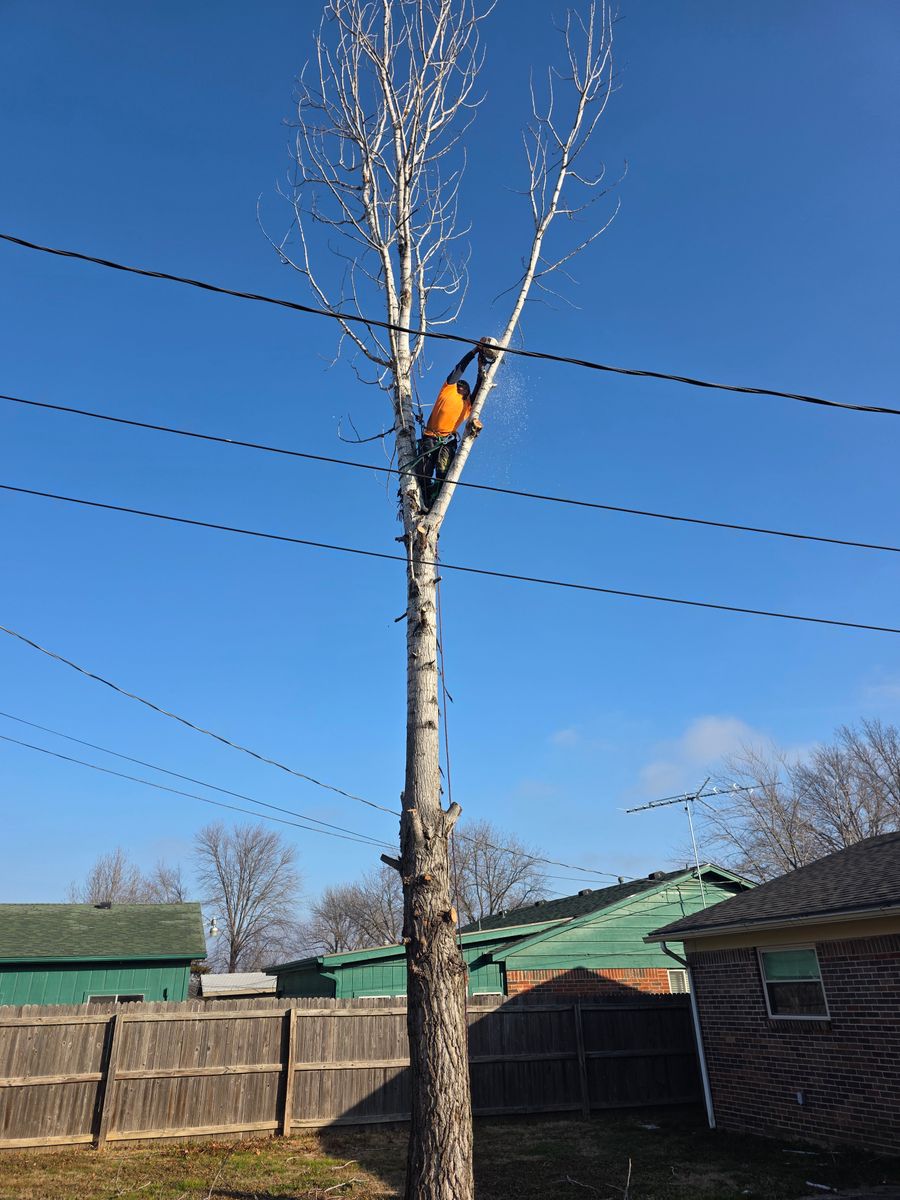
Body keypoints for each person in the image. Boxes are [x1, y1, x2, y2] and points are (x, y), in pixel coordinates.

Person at [418, 347, 484, 508]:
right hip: (430, 437)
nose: (461, 386)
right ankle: (425, 500)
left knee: (442, 470)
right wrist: (474, 352)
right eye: (460, 384)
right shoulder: (448, 389)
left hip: (447, 441)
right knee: (424, 473)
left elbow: (480, 386)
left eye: (465, 387)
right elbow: (460, 368)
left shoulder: (468, 404)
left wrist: (481, 367)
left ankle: (435, 498)